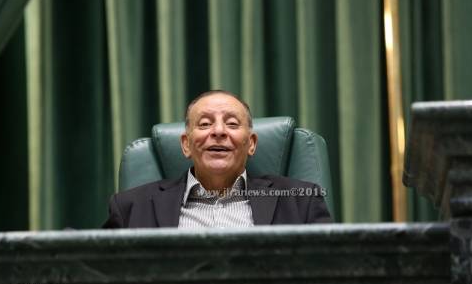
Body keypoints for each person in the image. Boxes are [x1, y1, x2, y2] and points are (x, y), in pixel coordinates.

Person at [103, 90, 332, 228]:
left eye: (232, 123)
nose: (219, 131)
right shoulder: (131, 207)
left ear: (251, 144)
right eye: (205, 124)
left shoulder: (302, 201)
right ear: (186, 144)